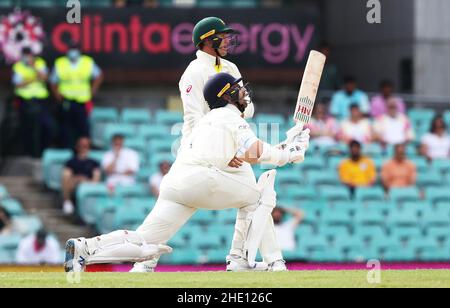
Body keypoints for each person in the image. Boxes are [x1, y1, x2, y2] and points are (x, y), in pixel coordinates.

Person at [63, 72, 311, 273]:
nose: (244, 91)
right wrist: (289, 155)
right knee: (258, 197)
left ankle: (85, 248)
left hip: (176, 183)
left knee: (144, 239)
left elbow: (244, 155)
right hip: (203, 180)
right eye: (238, 87)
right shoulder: (230, 117)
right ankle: (238, 259)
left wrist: (286, 144)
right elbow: (256, 151)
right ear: (227, 95)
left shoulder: (208, 121)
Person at [132, 16, 284, 273]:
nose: (227, 41)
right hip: (201, 152)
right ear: (208, 40)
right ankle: (143, 263)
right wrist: (221, 148)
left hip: (230, 143)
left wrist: (232, 146)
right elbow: (194, 118)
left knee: (256, 199)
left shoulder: (231, 68)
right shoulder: (193, 72)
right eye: (222, 37)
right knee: (169, 215)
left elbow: (248, 107)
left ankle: (265, 261)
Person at [50, 42, 103, 149]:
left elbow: (99, 75)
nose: (73, 52)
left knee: (84, 128)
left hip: (82, 101)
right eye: (71, 49)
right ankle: (67, 148)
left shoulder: (87, 62)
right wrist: (57, 95)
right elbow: (53, 81)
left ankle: (84, 150)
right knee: (66, 128)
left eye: (75, 49)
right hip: (66, 101)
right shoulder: (60, 63)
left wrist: (93, 90)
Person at [12, 47, 53, 157]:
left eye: (28, 55)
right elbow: (18, 83)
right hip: (26, 102)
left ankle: (42, 151)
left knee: (46, 126)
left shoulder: (40, 64)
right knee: (28, 129)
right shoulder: (18, 66)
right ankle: (29, 152)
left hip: (41, 101)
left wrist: (33, 67)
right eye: (25, 55)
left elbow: (45, 78)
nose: (27, 58)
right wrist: (34, 79)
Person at [62, 137, 101, 215]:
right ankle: (67, 201)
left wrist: (84, 181)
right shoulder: (71, 162)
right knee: (66, 176)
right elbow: (67, 174)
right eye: (81, 146)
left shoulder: (94, 162)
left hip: (88, 184)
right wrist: (77, 179)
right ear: (77, 147)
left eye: (86, 146)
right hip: (74, 183)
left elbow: (96, 178)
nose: (83, 148)